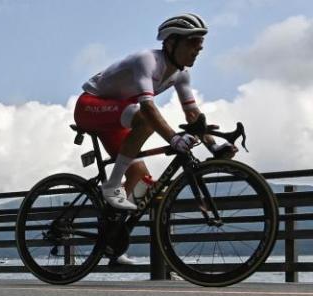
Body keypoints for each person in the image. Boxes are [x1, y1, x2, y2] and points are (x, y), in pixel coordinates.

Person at [75, 13, 234, 214]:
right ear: (171, 43)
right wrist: (174, 139)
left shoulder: (181, 74)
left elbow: (193, 115)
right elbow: (148, 109)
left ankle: (111, 230)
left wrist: (214, 146)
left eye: (201, 42)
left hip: (118, 116)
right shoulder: (147, 61)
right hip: (89, 106)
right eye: (193, 41)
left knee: (141, 182)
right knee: (146, 120)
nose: (199, 48)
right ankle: (111, 186)